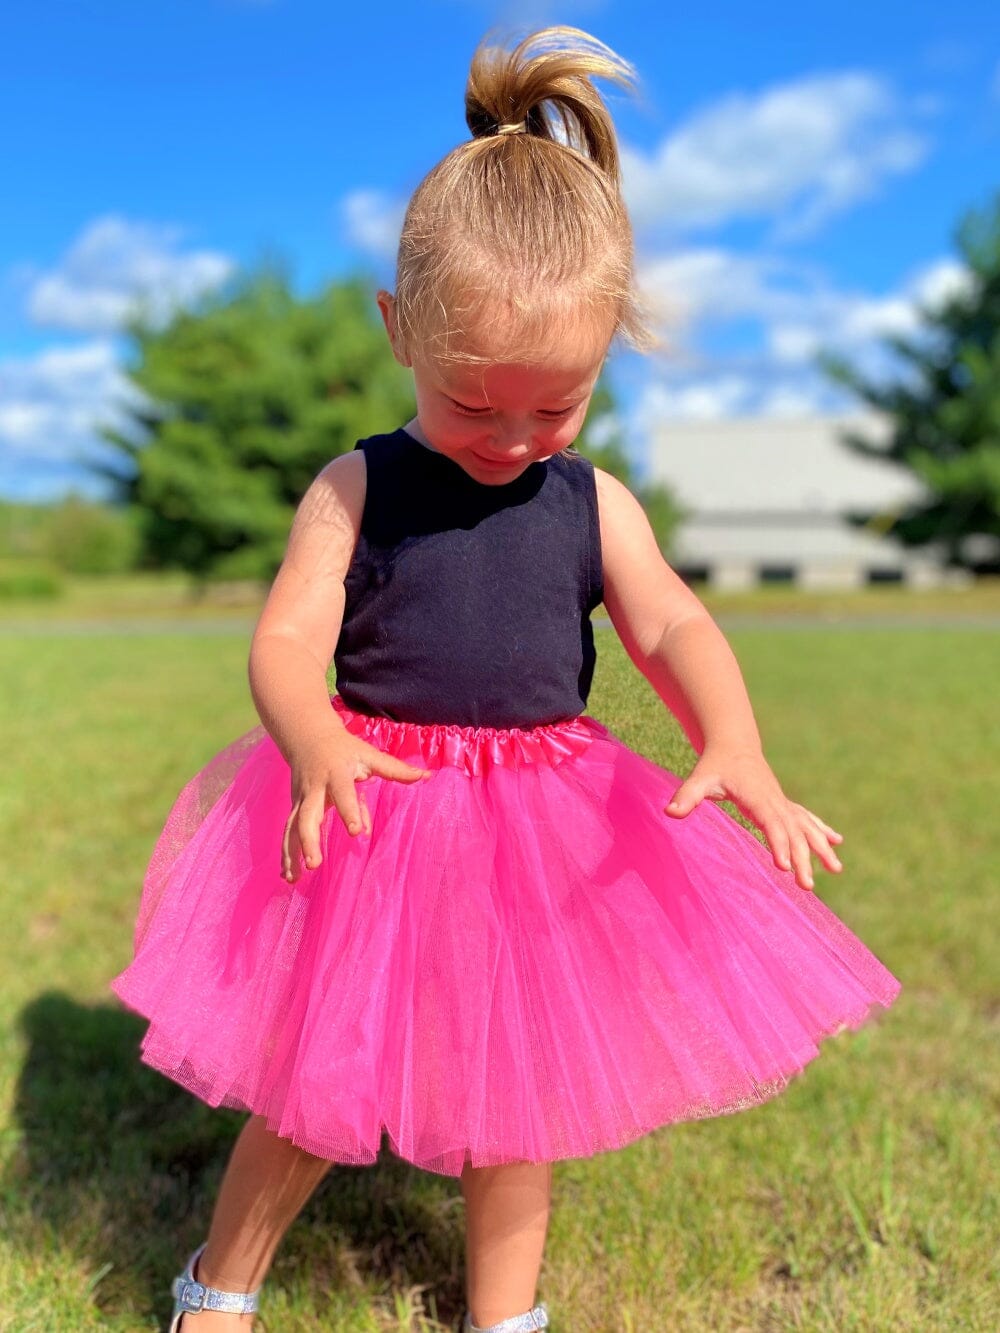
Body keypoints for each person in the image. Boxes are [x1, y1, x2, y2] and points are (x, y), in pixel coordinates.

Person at [109, 25, 902, 1333]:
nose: (516, 438)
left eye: (558, 405)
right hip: (375, 806)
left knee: (516, 1092)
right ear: (396, 331)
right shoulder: (358, 482)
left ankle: (505, 1312)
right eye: (481, 405)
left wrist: (738, 737)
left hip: (537, 825)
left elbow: (675, 627)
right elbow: (287, 641)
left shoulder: (595, 501)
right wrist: (311, 736)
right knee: (315, 1083)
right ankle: (224, 1283)